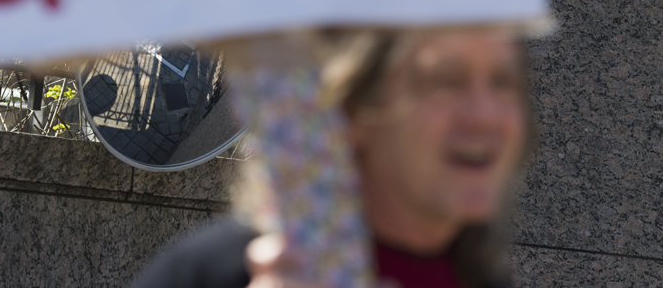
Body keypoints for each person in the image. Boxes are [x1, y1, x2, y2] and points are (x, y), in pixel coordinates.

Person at [131, 27, 531, 288]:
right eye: (445, 81)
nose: (486, 116)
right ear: (352, 111)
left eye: (503, 83)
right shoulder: (213, 274)